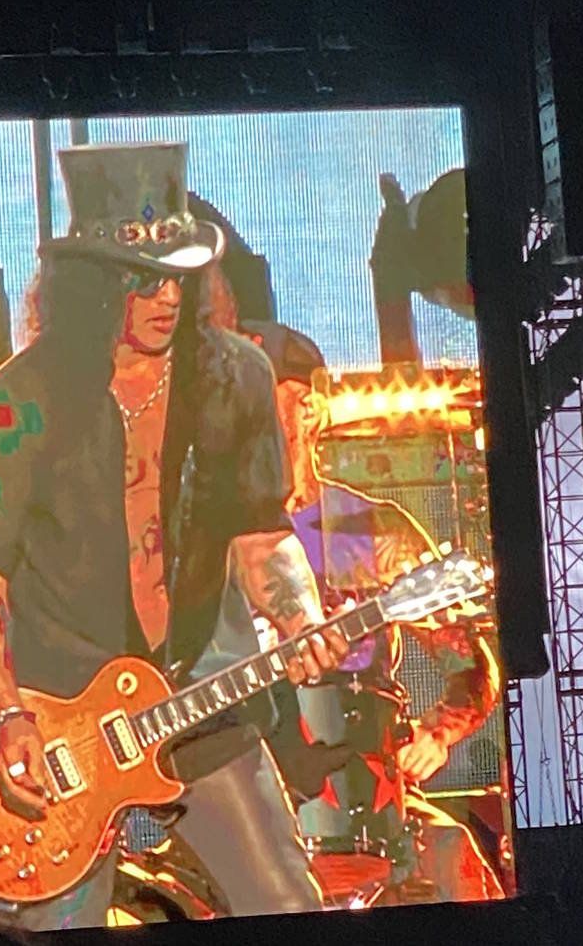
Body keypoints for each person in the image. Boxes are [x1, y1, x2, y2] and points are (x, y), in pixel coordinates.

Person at [0, 142, 346, 931]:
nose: (166, 296)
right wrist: (4, 713)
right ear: (91, 285)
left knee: (290, 909)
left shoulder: (237, 378)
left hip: (198, 694)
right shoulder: (20, 399)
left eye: (178, 275)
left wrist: (301, 615)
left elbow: (262, 536)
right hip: (62, 722)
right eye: (142, 278)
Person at [244, 318, 505, 904]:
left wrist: (437, 732)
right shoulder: (200, 543)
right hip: (243, 806)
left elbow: (472, 663)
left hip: (371, 806)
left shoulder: (373, 531)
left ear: (308, 411)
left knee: (457, 864)